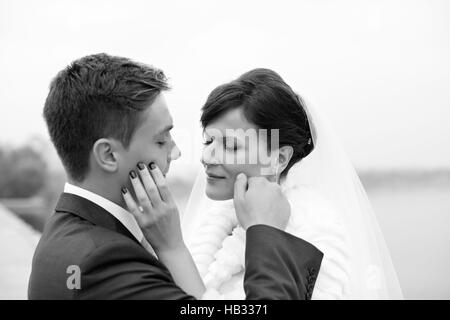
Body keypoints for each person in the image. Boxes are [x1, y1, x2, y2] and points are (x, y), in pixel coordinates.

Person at [28, 54, 323, 300]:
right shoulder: (104, 262)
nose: (177, 152)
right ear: (108, 155)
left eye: (230, 145)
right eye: (161, 141)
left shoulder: (72, 235)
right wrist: (266, 234)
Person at [182, 68, 404, 299]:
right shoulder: (216, 220)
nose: (206, 157)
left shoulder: (313, 232)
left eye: (231, 146)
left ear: (278, 158)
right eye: (208, 141)